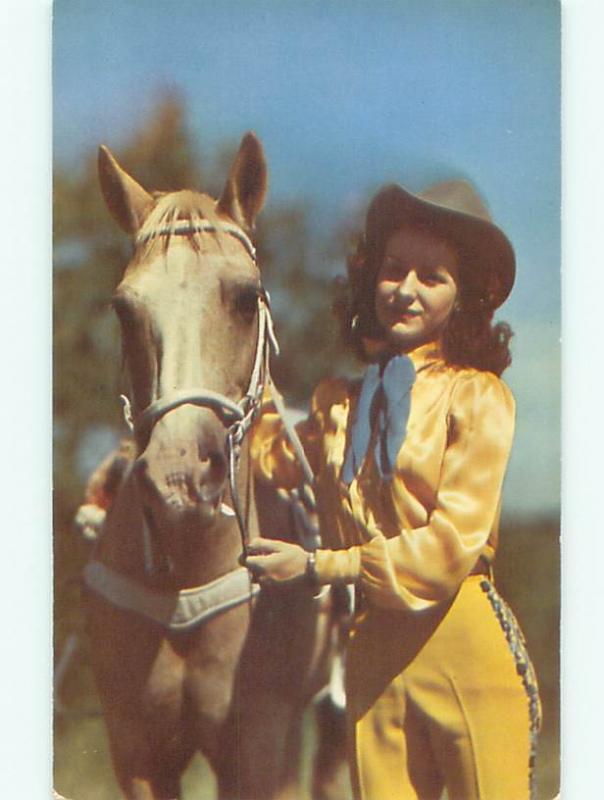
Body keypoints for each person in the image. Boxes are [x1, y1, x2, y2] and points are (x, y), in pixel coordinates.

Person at [245, 180, 542, 800]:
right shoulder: (337, 405)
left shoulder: (478, 397)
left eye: (431, 276)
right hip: (371, 658)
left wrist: (322, 566)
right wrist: (240, 363)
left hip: (463, 648)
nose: (405, 290)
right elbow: (274, 459)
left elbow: (446, 549)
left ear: (463, 297)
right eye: (392, 270)